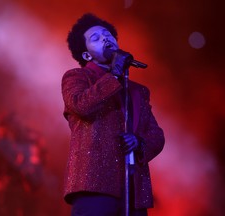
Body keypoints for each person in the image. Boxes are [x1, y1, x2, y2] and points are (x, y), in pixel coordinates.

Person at [61, 13, 165, 216]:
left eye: (108, 34)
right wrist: (115, 73)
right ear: (87, 55)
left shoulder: (138, 91)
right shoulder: (77, 77)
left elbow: (157, 135)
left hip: (133, 188)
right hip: (94, 183)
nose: (105, 38)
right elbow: (82, 105)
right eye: (96, 38)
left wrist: (139, 142)